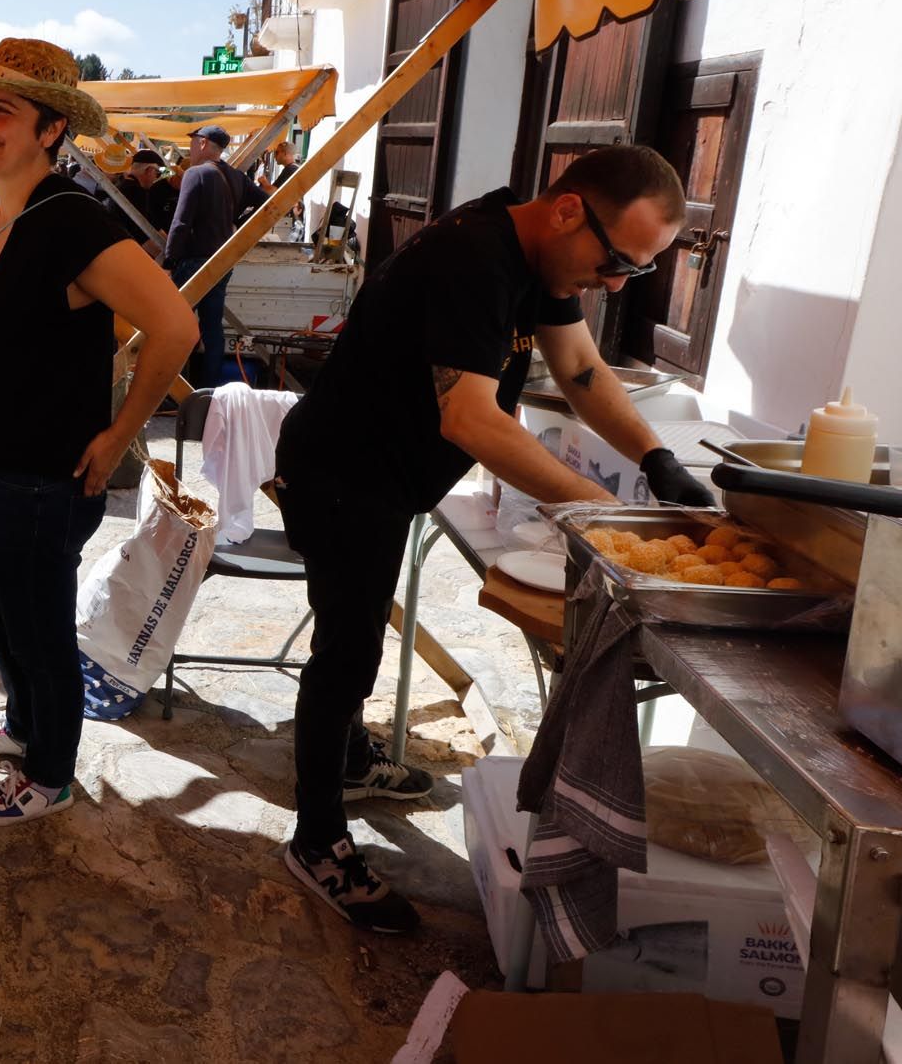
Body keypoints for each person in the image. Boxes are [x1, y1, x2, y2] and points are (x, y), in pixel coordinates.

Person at [275, 144, 715, 933]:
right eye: (616, 261)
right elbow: (470, 418)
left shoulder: (539, 258)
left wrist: (657, 457)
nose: (615, 284)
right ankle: (316, 840)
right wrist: (601, 516)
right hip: (342, 475)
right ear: (569, 208)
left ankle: (344, 757)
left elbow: (580, 370)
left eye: (636, 273)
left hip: (383, 474)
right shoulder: (471, 261)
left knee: (357, 626)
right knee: (346, 653)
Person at [0, 38, 196, 826]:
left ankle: (49, 774)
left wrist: (119, 433)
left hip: (43, 475)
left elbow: (175, 326)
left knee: (40, 629)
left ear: (51, 131)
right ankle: (22, 726)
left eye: (3, 110)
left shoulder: (72, 217)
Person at [164, 124, 256, 386]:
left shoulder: (196, 173)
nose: (191, 148)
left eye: (193, 142)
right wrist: (236, 222)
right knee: (212, 328)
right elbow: (266, 202)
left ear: (203, 143)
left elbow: (180, 223)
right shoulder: (237, 177)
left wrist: (169, 262)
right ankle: (208, 389)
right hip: (222, 261)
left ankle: (169, 388)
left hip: (192, 261)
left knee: (172, 326)